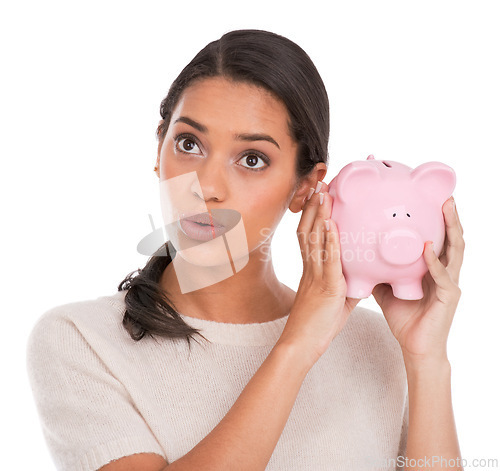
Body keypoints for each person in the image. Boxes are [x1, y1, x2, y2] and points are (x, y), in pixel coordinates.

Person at [26, 29, 465, 471]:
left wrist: (426, 360)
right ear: (159, 148)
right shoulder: (81, 341)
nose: (207, 187)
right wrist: (296, 347)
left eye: (252, 158)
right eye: (189, 144)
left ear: (306, 187)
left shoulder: (374, 345)